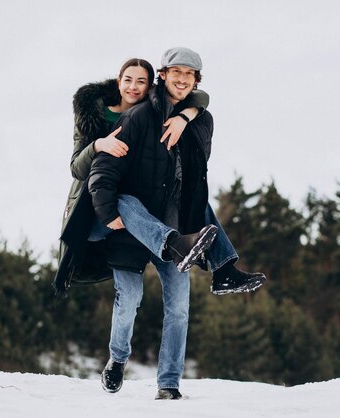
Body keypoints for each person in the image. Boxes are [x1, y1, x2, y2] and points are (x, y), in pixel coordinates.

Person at [54, 57, 265, 295]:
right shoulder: (94, 115)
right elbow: (76, 168)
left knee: (192, 196)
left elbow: (199, 96)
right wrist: (97, 145)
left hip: (136, 203)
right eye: (128, 80)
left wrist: (185, 116)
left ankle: (224, 268)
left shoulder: (148, 112)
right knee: (125, 202)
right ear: (118, 82)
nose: (134, 87)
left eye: (141, 82)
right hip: (94, 206)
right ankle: (173, 243)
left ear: (151, 86)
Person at [88, 47, 228, 400]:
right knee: (129, 300)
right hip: (133, 225)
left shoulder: (201, 120)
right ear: (163, 74)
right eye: (176, 72)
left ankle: (168, 384)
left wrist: (187, 116)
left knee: (179, 308)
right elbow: (102, 169)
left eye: (190, 74)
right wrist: (108, 213)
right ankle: (117, 360)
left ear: (196, 81)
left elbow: (197, 176)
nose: (182, 79)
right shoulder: (137, 117)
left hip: (176, 227)